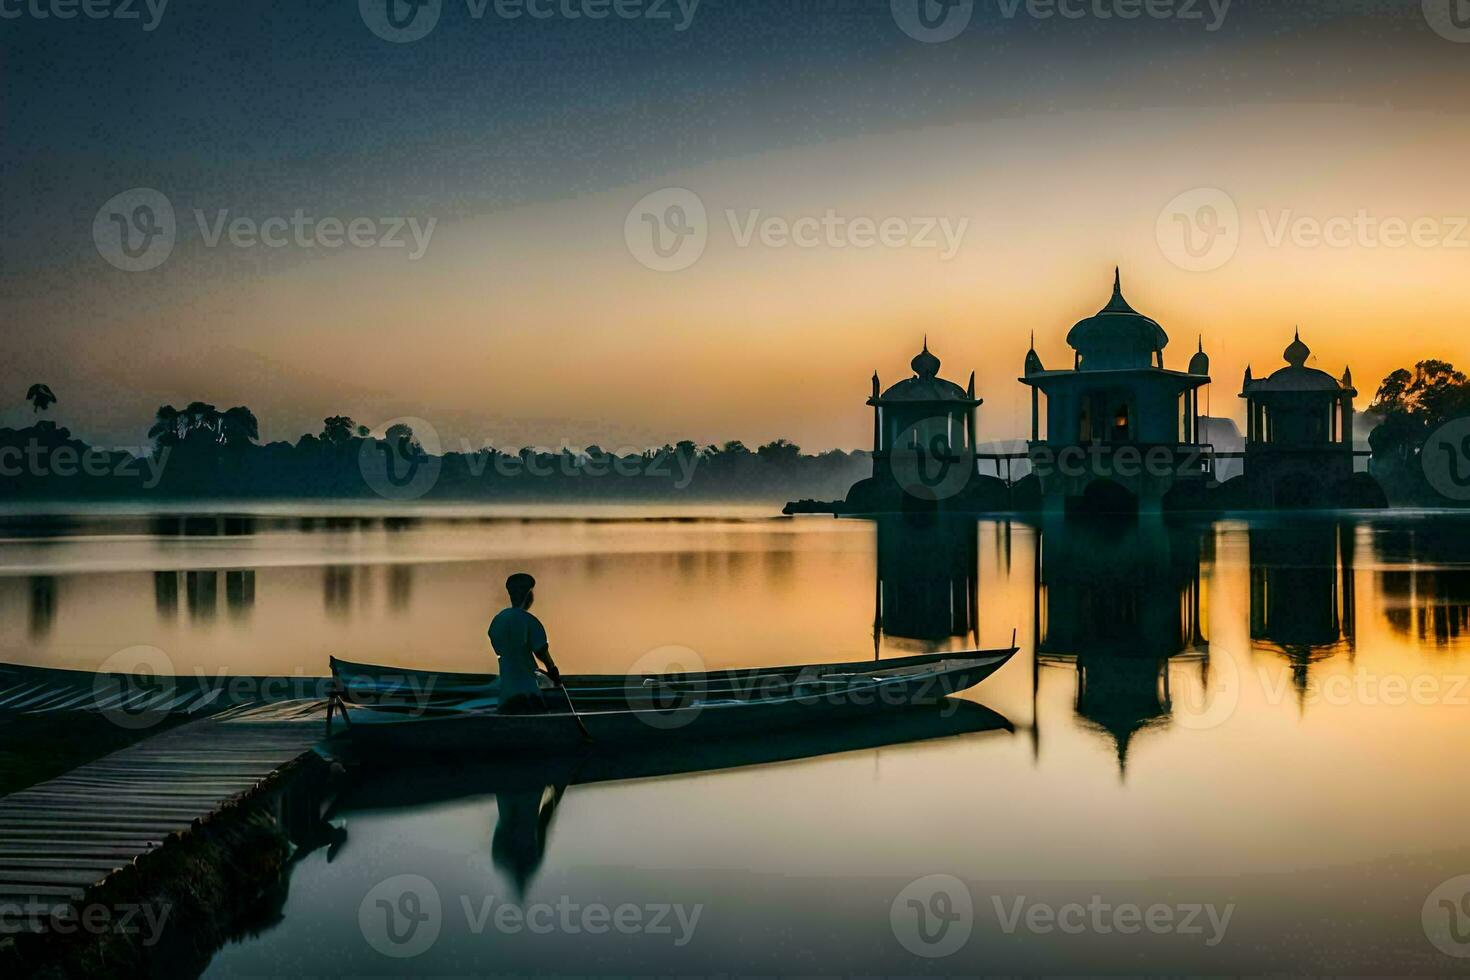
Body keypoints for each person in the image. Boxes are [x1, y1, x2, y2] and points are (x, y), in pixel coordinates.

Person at [488, 572, 562, 715]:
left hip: (506, 692)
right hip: (529, 691)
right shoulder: (530, 621)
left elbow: (500, 650)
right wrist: (553, 670)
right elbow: (542, 652)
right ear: (528, 595)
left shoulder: (498, 620)